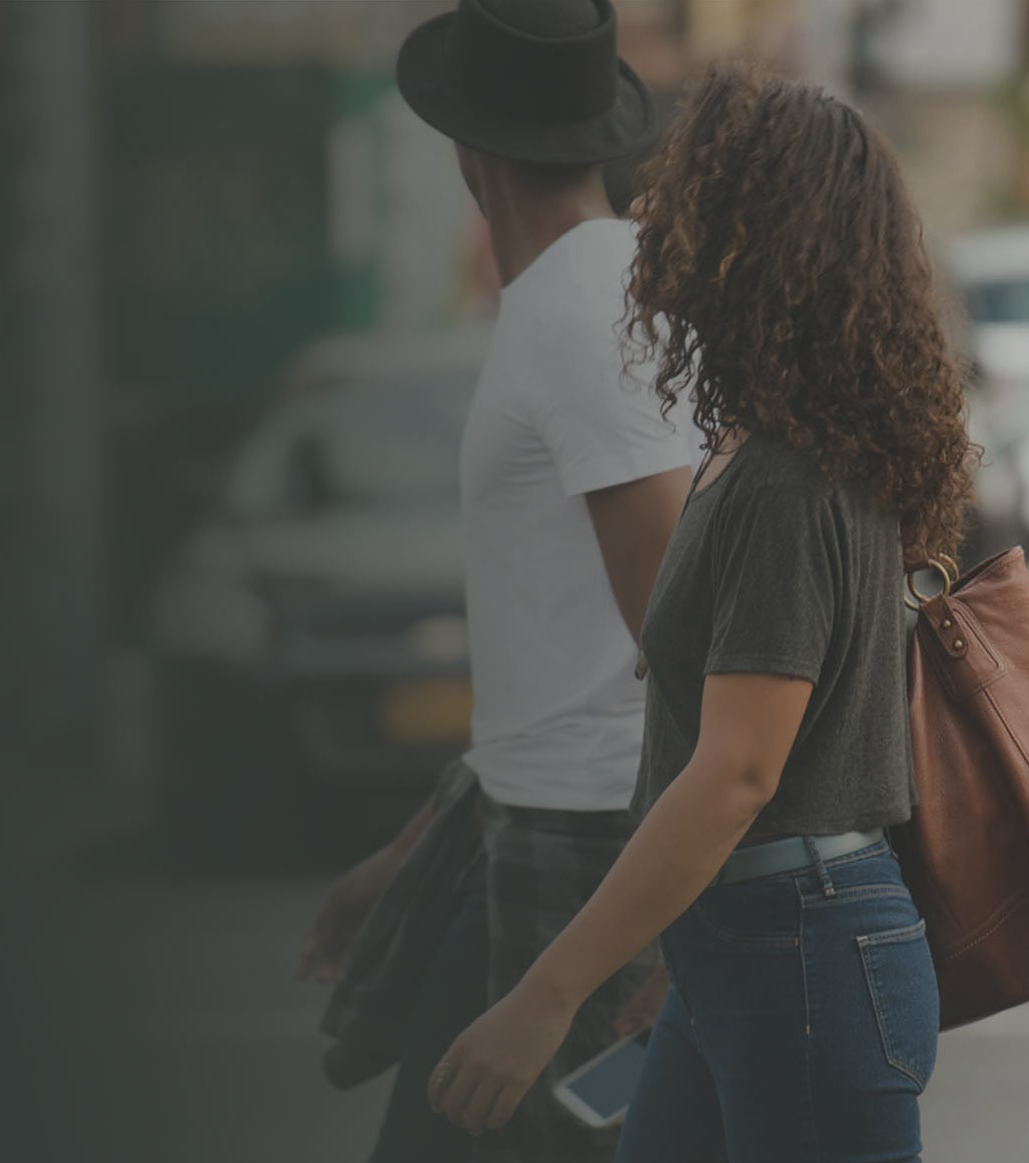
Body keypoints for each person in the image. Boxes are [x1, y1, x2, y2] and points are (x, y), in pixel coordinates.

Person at [423, 63, 975, 1163]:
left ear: (749, 238)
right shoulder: (758, 445)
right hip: (746, 939)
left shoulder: (787, 475)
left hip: (803, 953)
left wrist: (544, 997)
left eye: (689, 194)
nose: (649, 215)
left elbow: (735, 773)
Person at [296, 2, 692, 1161]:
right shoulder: (596, 290)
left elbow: (681, 648)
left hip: (585, 860)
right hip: (524, 833)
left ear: (468, 148)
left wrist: (661, 939)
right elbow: (565, 663)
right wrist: (415, 849)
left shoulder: (578, 316)